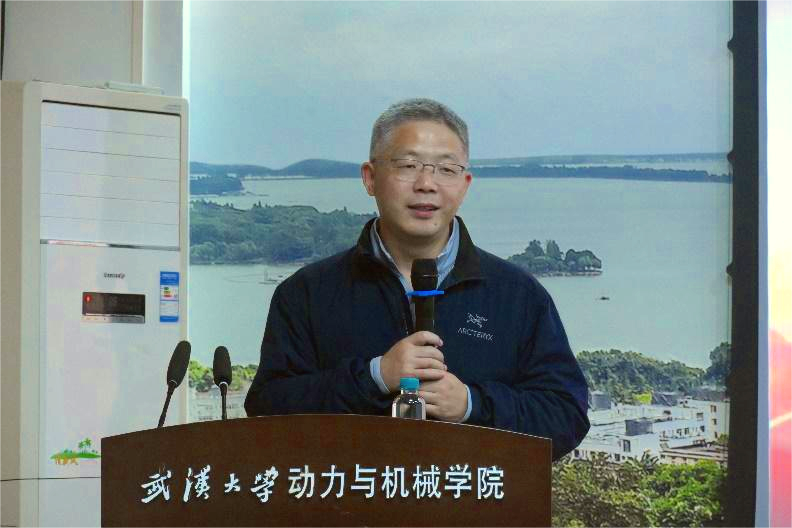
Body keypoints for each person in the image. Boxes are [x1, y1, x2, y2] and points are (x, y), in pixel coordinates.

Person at [245, 98, 589, 459]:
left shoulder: (518, 295)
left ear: (465, 184)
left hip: (468, 495)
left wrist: (472, 405)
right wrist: (374, 377)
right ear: (370, 178)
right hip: (354, 493)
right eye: (408, 165)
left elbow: (566, 417)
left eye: (446, 169)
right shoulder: (306, 293)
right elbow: (267, 412)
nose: (426, 184)